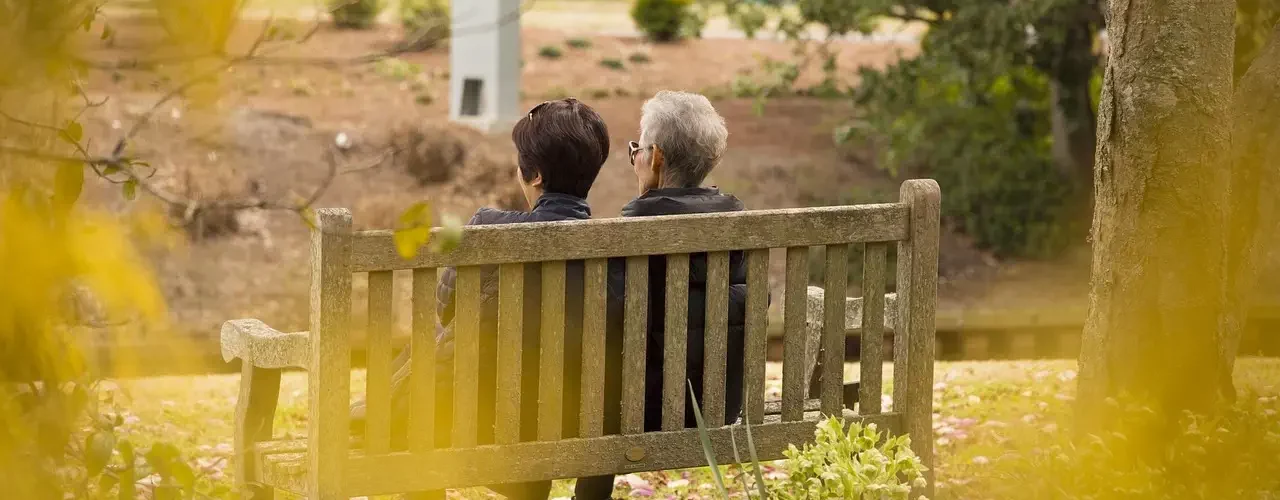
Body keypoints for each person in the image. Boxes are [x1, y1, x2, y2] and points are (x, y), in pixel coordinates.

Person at [351, 98, 610, 500]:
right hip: (571, 421)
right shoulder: (617, 250)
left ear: (535, 174)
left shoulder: (489, 228)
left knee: (428, 400)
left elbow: (446, 309)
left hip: (474, 422)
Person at [577, 90, 753, 499]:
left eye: (635, 150)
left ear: (654, 157)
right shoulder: (738, 223)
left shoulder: (634, 229)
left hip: (644, 414)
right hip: (719, 407)